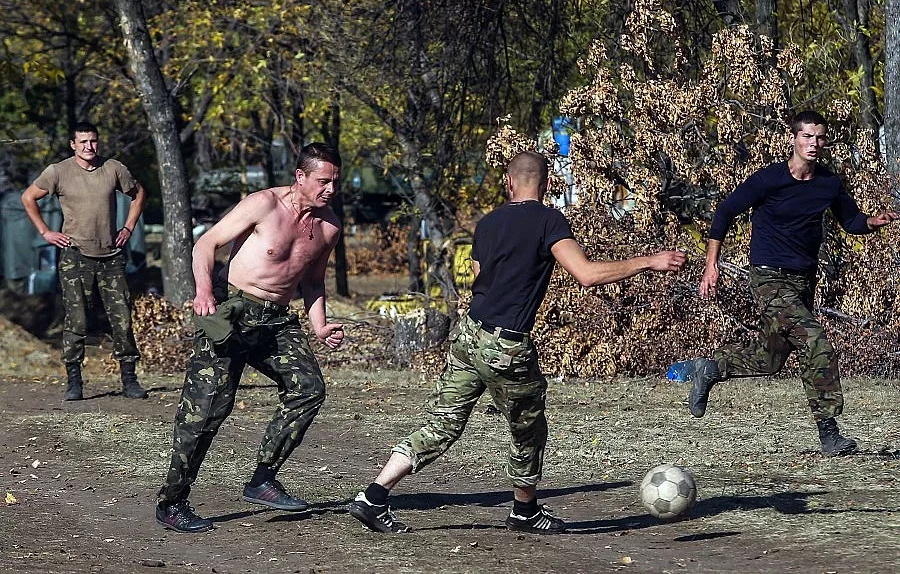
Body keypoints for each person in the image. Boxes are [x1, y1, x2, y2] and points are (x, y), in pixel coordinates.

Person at [348, 151, 686, 535]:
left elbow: (479, 277)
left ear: (509, 183)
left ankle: (373, 496)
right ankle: (524, 512)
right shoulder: (548, 220)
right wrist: (649, 261)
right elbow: (587, 274)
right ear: (546, 185)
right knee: (528, 429)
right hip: (505, 346)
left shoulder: (488, 223)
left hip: (469, 334)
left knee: (441, 425)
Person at [684, 110, 899, 456]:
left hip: (802, 281)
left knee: (769, 359)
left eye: (820, 137)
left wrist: (874, 221)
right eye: (807, 136)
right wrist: (712, 265)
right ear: (793, 138)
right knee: (814, 339)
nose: (814, 143)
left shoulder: (828, 184)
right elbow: (724, 212)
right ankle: (829, 433)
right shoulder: (769, 180)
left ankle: (710, 368)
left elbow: (852, 221)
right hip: (768, 277)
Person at [155, 143, 345, 533]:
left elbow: (312, 281)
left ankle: (263, 479)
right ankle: (172, 502)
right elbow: (206, 244)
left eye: (335, 182)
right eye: (323, 181)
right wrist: (204, 291)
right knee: (207, 411)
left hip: (276, 320)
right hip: (233, 312)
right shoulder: (263, 204)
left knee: (309, 388)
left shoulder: (329, 227)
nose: (330, 190)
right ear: (300, 177)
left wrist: (320, 326)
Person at [21, 121, 148, 401]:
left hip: (111, 256)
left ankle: (129, 379)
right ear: (73, 144)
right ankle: (74, 380)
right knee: (76, 319)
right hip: (75, 256)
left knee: (122, 320)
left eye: (93, 141)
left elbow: (139, 194)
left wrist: (127, 227)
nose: (89, 147)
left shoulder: (114, 168)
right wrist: (45, 232)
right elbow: (28, 197)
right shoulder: (58, 171)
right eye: (83, 142)